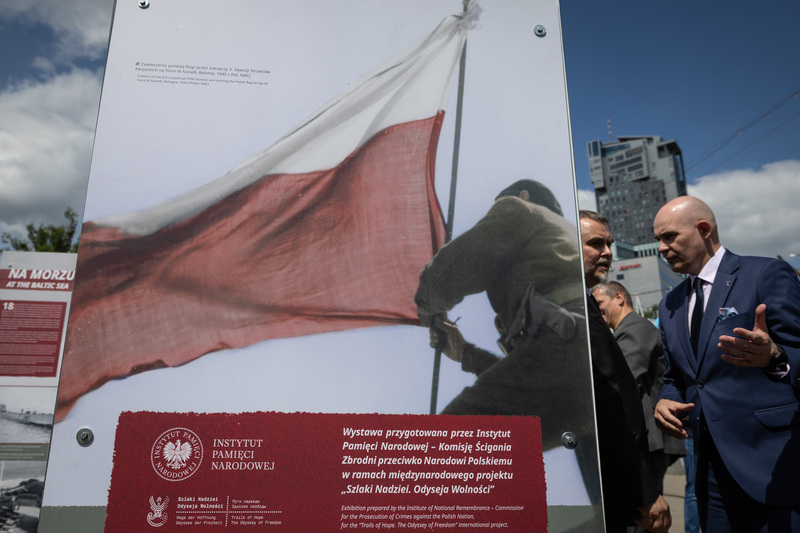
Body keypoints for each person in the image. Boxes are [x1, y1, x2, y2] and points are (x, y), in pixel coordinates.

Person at [652, 196, 800, 531]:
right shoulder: (669, 305)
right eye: (657, 240)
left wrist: (774, 357)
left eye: (669, 237)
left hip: (773, 465)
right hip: (710, 474)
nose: (661, 247)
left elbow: (795, 350)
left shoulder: (764, 273)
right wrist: (666, 399)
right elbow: (676, 375)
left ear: (703, 229)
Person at [580, 211, 670, 532]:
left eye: (609, 243)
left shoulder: (587, 304)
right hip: (615, 475)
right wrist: (645, 492)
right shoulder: (575, 306)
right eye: (595, 243)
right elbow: (607, 401)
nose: (607, 251)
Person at [592, 281, 685, 495]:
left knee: (643, 516)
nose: (596, 310)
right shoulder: (625, 330)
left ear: (619, 297)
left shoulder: (636, 327)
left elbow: (618, 378)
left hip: (648, 442)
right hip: (645, 440)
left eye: (600, 303)